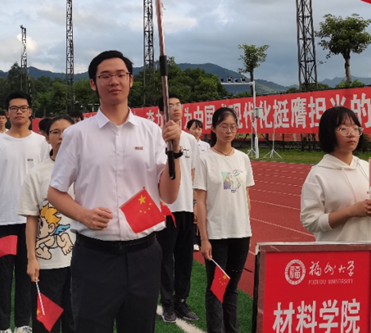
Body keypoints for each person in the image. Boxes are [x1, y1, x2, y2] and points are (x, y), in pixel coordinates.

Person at [48, 50, 183, 333]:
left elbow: (168, 195)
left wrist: (176, 151)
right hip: (95, 256)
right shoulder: (77, 134)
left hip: (144, 254)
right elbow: (55, 192)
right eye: (105, 76)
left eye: (121, 75)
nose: (114, 81)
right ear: (93, 83)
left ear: (130, 80)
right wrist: (83, 215)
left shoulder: (151, 132)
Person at [300, 106, 371, 333]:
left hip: (369, 261)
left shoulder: (370, 167)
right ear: (329, 133)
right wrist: (351, 211)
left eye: (355, 128)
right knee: (339, 323)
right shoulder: (318, 174)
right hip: (334, 265)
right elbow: (310, 221)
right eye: (343, 128)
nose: (352, 133)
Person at [0, 92, 50, 333]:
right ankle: (3, 326)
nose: (19, 112)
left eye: (23, 108)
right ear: (7, 113)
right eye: (14, 108)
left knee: (27, 274)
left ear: (30, 111)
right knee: (2, 276)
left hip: (33, 221)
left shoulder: (41, 143)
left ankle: (23, 323)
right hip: (4, 219)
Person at [194, 107, 254, 333]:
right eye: (224, 126)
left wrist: (245, 223)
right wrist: (204, 239)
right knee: (216, 289)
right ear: (213, 129)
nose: (229, 131)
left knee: (232, 289)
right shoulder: (205, 160)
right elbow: (200, 202)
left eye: (233, 127)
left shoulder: (243, 159)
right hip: (217, 236)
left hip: (241, 234)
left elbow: (246, 196)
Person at [19, 115, 74, 333]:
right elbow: (31, 219)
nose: (61, 137)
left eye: (67, 132)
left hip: (81, 261)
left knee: (75, 321)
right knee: (46, 324)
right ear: (47, 138)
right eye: (55, 132)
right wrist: (32, 258)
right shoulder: (37, 174)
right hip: (47, 264)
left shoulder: (87, 169)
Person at [158, 95, 200, 323]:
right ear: (161, 111)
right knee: (165, 260)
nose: (176, 109)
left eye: (178, 105)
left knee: (185, 259)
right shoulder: (156, 137)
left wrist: (195, 205)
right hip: (166, 210)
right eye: (170, 106)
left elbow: (193, 175)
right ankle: (167, 304)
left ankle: (181, 301)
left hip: (186, 208)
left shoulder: (190, 140)